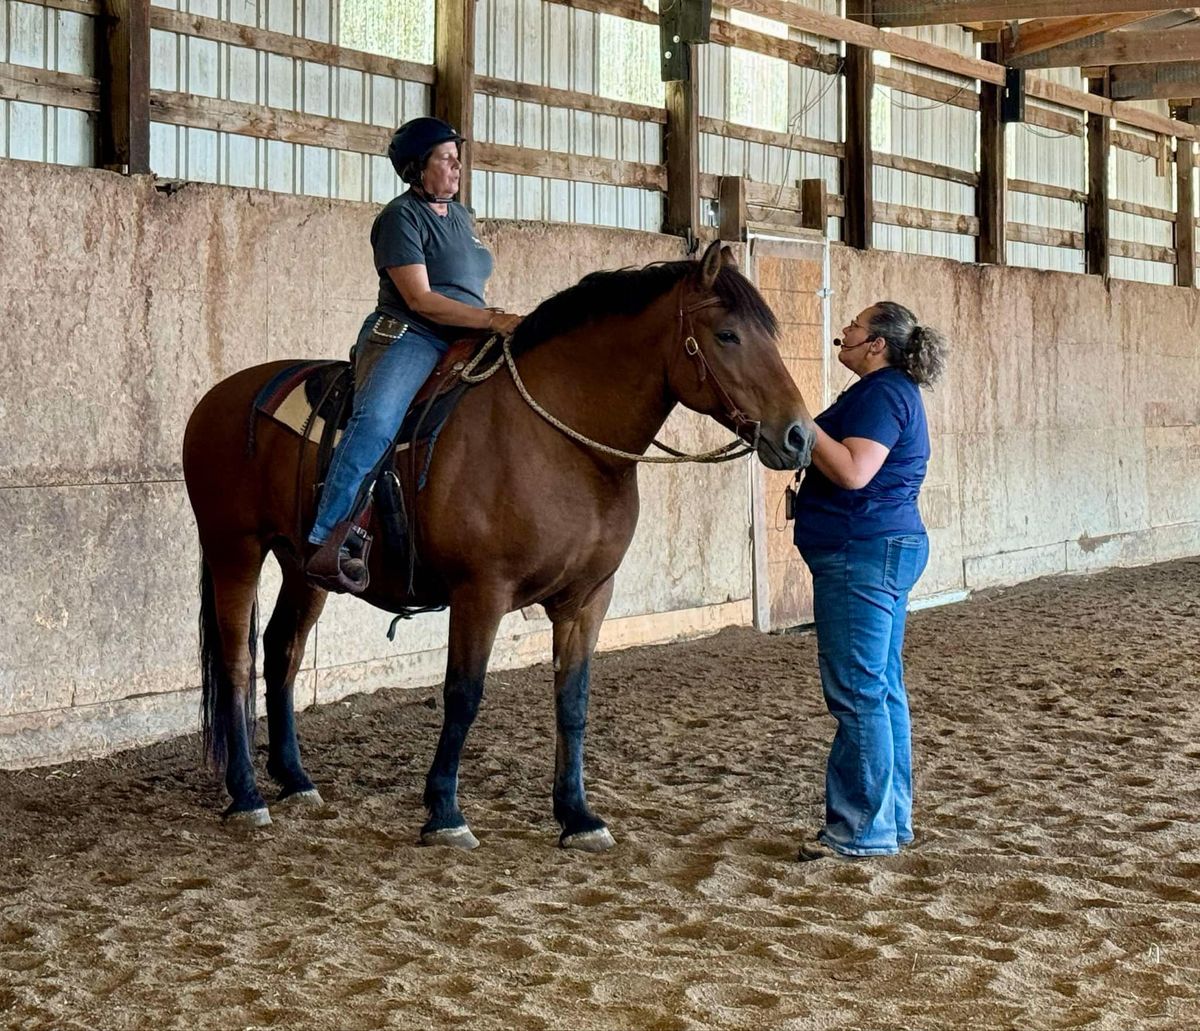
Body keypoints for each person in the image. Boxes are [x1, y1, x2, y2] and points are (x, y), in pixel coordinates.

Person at [305, 116, 523, 594]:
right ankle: (329, 537)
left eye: (456, 158)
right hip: (412, 334)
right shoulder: (400, 218)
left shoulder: (460, 217)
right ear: (416, 169)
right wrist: (492, 319)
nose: (457, 167)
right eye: (445, 159)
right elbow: (421, 299)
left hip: (467, 333)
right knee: (378, 420)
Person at [792, 301, 948, 862]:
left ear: (877, 343)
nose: (845, 332)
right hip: (878, 546)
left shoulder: (882, 395)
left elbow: (855, 471)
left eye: (854, 327)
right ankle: (890, 819)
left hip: (862, 549)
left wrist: (800, 424)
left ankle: (864, 829)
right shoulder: (883, 393)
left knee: (857, 693)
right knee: (880, 688)